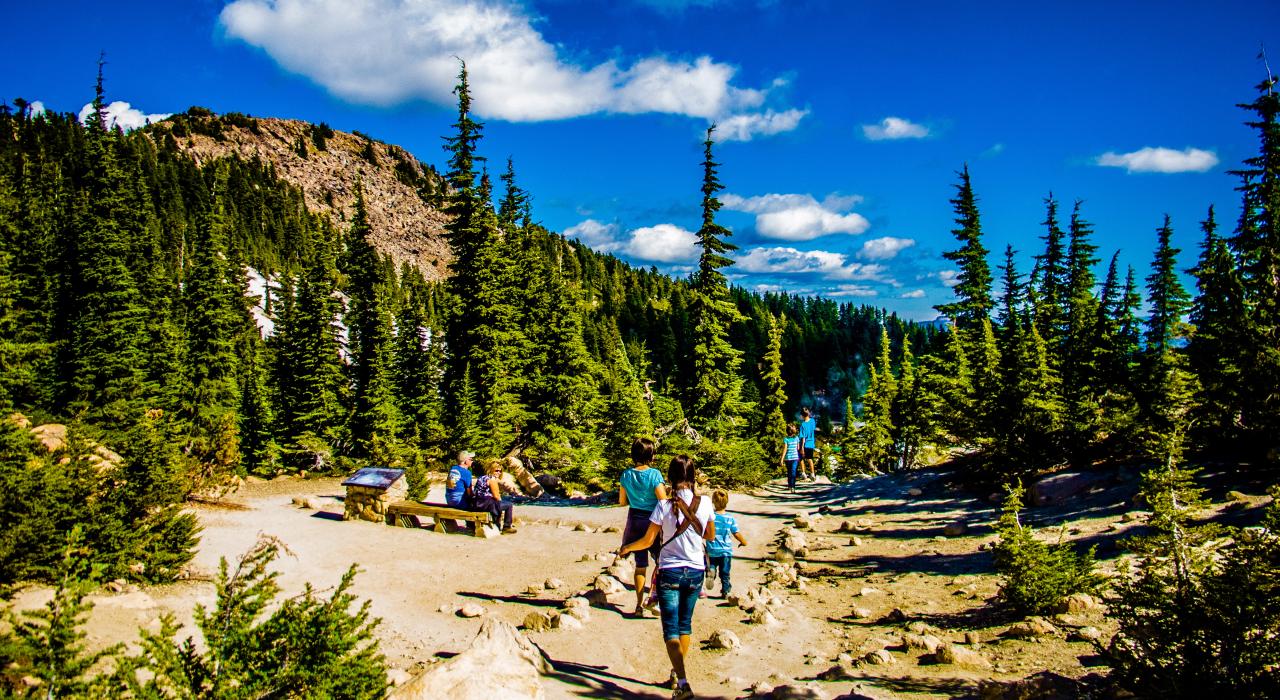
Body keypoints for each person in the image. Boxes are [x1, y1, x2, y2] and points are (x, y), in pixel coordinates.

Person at [618, 455, 715, 700]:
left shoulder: (663, 506)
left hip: (670, 570)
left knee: (670, 628)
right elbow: (710, 536)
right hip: (695, 570)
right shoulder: (705, 503)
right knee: (685, 624)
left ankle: (682, 681)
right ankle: (676, 674)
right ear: (693, 477)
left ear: (670, 477)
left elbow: (648, 541)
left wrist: (627, 547)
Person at [618, 437, 668, 617]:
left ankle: (638, 605)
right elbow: (663, 500)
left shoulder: (626, 475)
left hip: (634, 520)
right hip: (653, 521)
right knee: (661, 562)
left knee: (640, 567)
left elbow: (622, 501)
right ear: (650, 455)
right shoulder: (654, 475)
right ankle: (655, 598)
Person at [704, 489, 747, 599]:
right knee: (725, 573)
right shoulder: (730, 518)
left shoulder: (710, 517)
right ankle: (726, 591)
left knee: (711, 565)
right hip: (725, 551)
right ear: (727, 501)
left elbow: (705, 530)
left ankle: (711, 571)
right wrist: (743, 541)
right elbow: (736, 533)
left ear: (713, 501)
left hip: (712, 549)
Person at [472, 459, 517, 534]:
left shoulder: (482, 477)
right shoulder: (492, 480)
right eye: (496, 471)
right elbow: (497, 496)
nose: (498, 472)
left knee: (498, 504)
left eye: (500, 471)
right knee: (509, 505)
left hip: (477, 503)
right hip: (485, 505)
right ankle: (507, 527)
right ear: (491, 470)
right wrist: (500, 510)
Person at [780, 424, 801, 493]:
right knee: (792, 472)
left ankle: (792, 486)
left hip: (789, 458)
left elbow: (785, 449)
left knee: (791, 472)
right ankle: (791, 486)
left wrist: (782, 459)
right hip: (793, 458)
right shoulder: (796, 438)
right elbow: (798, 448)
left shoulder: (786, 439)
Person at [798, 408, 818, 481]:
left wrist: (802, 447)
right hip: (811, 444)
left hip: (805, 444)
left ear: (802, 415)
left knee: (800, 458)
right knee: (810, 459)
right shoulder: (812, 421)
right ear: (808, 414)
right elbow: (813, 429)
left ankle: (803, 473)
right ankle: (812, 474)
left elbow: (803, 437)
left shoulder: (802, 425)